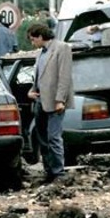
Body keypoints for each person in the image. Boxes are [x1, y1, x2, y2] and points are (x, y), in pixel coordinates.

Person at [27, 23, 74, 182]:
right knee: (42, 139)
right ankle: (48, 171)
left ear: (40, 36)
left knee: (54, 137)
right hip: (40, 100)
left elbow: (64, 76)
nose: (33, 43)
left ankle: (58, 173)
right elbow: (39, 76)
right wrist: (31, 91)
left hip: (55, 101)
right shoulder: (40, 53)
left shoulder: (62, 48)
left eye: (33, 40)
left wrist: (60, 99)